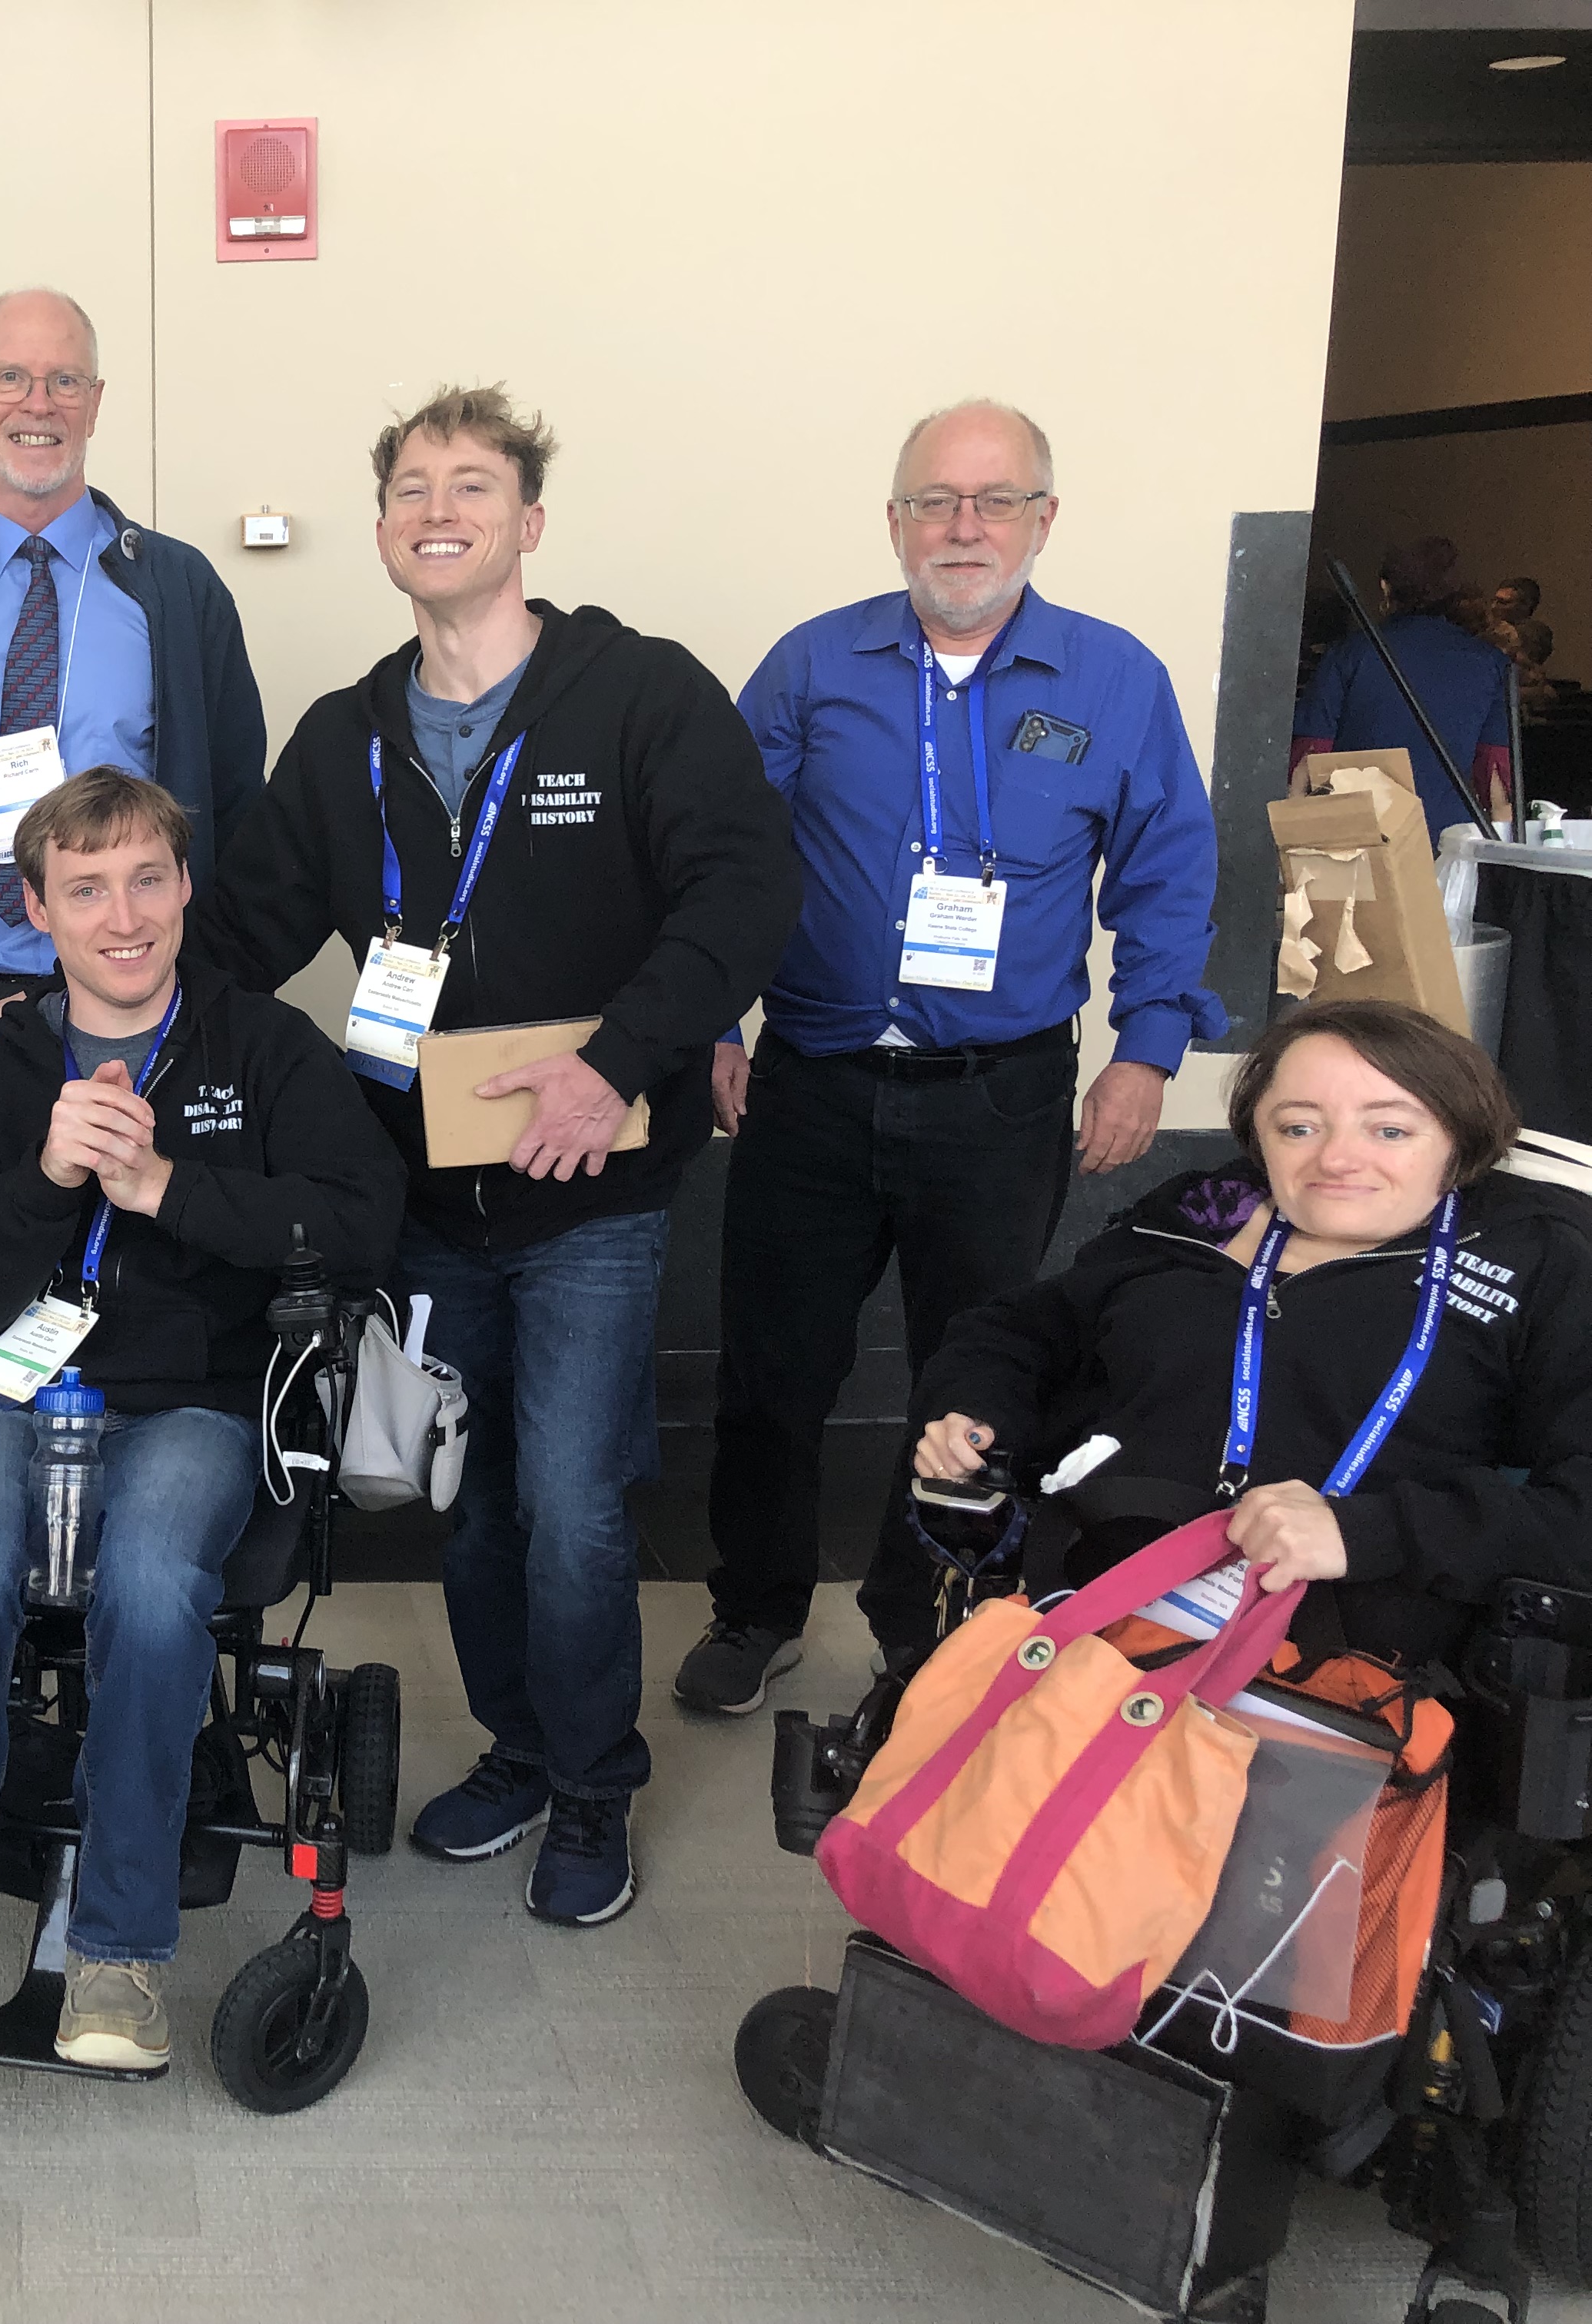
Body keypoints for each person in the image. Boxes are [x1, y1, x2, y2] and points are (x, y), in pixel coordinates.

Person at [194, 386, 799, 1925]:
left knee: (580, 1506)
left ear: (529, 524)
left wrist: (612, 1069)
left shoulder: (642, 696)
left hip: (591, 1191)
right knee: (469, 1499)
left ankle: (598, 1787)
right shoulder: (343, 741)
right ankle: (522, 1753)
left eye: (472, 484)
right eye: (410, 485)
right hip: (420, 1203)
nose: (436, 505)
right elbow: (238, 939)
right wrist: (68, 1014)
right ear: (387, 530)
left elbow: (740, 897)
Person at [0, 769, 402, 2063]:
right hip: (5, 1384)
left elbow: (360, 1216)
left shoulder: (265, 1046)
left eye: (146, 878)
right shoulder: (4, 1069)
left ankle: (117, 1950)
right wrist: (47, 1173)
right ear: (38, 908)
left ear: (186, 886)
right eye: (85, 889)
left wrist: (166, 1184)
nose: (121, 915)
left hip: (187, 1397)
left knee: (150, 1580)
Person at [680, 399, 1226, 1718]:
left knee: (968, 1378)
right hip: (810, 1080)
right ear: (893, 520)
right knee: (770, 1371)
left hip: (1001, 1094)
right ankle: (755, 1606)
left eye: (993, 500)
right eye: (934, 499)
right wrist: (714, 1018)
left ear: (1044, 518)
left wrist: (1147, 1047)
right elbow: (720, 854)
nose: (962, 526)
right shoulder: (813, 665)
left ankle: (919, 1623)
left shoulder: (1112, 679)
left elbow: (1167, 869)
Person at [914, 999, 1590, 1664]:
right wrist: (975, 1413)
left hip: (1338, 1677)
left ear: (1457, 1140)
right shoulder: (1198, 1216)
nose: (1338, 1160)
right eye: (1299, 1128)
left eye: (1390, 1131)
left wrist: (1367, 1532)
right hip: (1086, 1626)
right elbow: (1016, 1332)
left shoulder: (1530, 1262)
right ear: (1258, 1136)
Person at [0, 286, 265, 1197]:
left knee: (155, 1291)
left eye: (65, 379)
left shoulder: (178, 594)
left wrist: (218, 1019)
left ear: (97, 403)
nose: (38, 403)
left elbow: (238, 813)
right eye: (11, 377)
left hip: (149, 1006)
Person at [1290, 536, 1514, 835]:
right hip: (1450, 841)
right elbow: (1495, 780)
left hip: (1360, 838)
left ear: (1386, 587)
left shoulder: (1350, 654)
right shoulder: (1492, 664)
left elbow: (1308, 761)